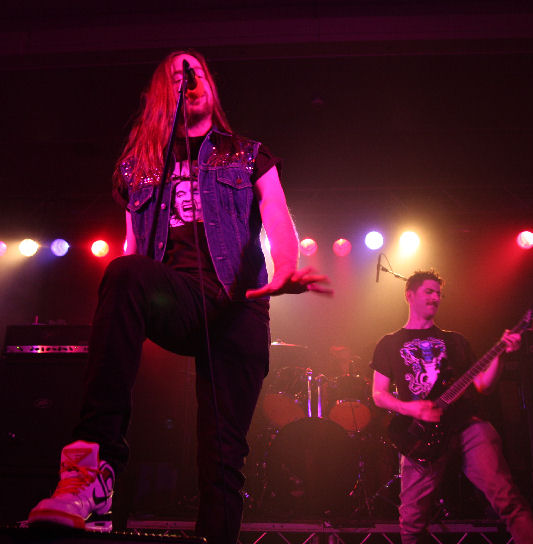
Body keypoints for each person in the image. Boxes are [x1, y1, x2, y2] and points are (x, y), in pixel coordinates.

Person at [27, 49, 331, 544]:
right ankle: (93, 469)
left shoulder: (247, 154)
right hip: (180, 296)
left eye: (196, 72)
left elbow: (277, 216)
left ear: (210, 84)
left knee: (222, 457)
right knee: (124, 271)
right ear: (160, 94)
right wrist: (123, 308)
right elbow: (132, 250)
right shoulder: (140, 169)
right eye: (175, 75)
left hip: (240, 303)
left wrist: (285, 271)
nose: (187, 80)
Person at [370, 270, 533, 544]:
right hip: (421, 436)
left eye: (439, 293)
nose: (435, 297)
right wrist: (412, 409)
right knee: (412, 522)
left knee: (508, 499)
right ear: (409, 295)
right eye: (429, 291)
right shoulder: (389, 343)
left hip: (467, 427)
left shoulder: (456, 341)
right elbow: (379, 395)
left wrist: (501, 353)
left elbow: (483, 385)